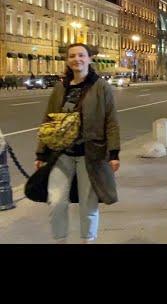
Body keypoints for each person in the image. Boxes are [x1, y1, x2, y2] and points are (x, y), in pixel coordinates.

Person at [34, 43, 120, 243]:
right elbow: (48, 121)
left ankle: (87, 240)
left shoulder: (101, 86)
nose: (76, 59)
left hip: (90, 155)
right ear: (67, 60)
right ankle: (60, 240)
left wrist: (114, 153)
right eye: (72, 56)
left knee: (88, 205)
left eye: (81, 55)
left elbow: (111, 122)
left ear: (89, 59)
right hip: (60, 154)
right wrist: (41, 153)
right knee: (56, 202)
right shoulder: (60, 87)